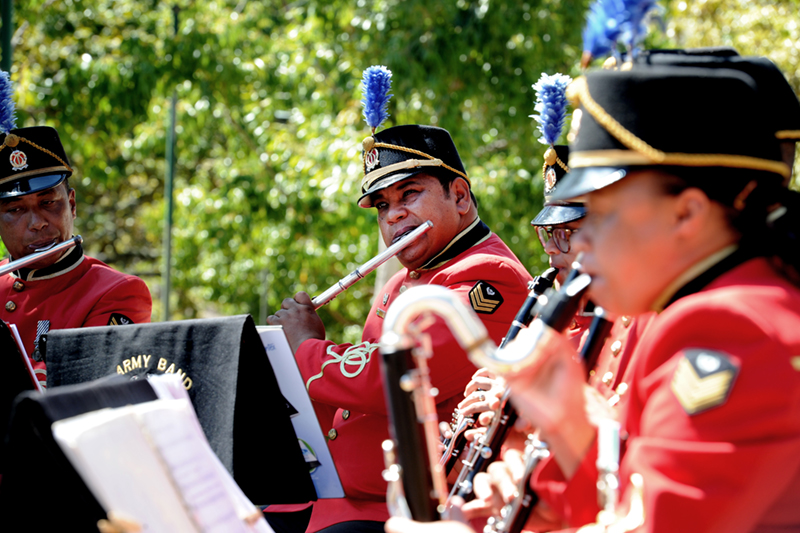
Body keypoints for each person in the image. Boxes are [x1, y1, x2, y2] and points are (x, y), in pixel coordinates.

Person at [387, 62, 800, 533]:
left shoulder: (732, 329)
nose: (578, 243)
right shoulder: (708, 306)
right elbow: (624, 500)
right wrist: (568, 423)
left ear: (686, 214)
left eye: (600, 215)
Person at [267, 123, 532, 533]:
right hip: (344, 501)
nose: (394, 215)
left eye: (410, 194)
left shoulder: (490, 278)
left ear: (459, 196)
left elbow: (389, 378)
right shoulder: (405, 280)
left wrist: (305, 346)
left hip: (407, 513)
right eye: (382, 206)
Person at [0, 125, 152, 387]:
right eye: (15, 209)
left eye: (48, 203)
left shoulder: (117, 292)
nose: (36, 223)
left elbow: (89, 399)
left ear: (71, 204)